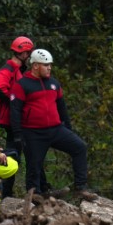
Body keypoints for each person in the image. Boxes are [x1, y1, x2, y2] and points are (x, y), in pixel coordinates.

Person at [10, 48, 96, 200]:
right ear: (36, 66)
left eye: (50, 65)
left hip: (56, 129)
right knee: (34, 164)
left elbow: (62, 107)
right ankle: (34, 195)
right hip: (33, 132)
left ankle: (80, 188)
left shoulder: (54, 84)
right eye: (46, 65)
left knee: (80, 147)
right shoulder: (22, 84)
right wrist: (18, 134)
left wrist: (68, 128)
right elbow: (15, 110)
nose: (49, 68)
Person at [0, 36, 33, 198]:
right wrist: (16, 102)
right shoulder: (8, 69)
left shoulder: (18, 71)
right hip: (9, 120)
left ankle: (8, 192)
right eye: (28, 53)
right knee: (12, 155)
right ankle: (5, 193)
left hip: (15, 120)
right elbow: (0, 89)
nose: (29, 56)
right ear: (22, 53)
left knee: (17, 154)